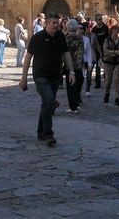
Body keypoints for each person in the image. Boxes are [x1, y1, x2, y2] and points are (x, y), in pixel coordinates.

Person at [19, 12, 75, 147]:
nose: (57, 25)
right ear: (46, 23)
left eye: (58, 22)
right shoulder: (37, 38)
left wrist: (71, 71)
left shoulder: (60, 36)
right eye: (54, 23)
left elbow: (66, 54)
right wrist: (24, 78)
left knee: (46, 104)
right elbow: (28, 57)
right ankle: (49, 134)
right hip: (40, 75)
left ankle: (40, 132)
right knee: (49, 101)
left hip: (55, 75)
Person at [64, 20, 86, 113]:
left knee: (71, 86)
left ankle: (73, 107)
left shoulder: (67, 38)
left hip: (70, 65)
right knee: (77, 84)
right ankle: (76, 103)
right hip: (79, 64)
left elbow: (66, 52)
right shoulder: (80, 37)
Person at [102, 24, 119, 106]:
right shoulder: (107, 40)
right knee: (108, 80)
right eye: (114, 31)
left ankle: (117, 98)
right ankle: (107, 93)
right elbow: (105, 50)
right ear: (111, 32)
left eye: (117, 31)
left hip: (118, 62)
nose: (115, 33)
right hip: (108, 62)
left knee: (117, 80)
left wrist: (112, 52)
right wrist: (116, 52)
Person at [83, 25, 100, 97]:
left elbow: (97, 45)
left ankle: (87, 90)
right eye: (87, 28)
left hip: (92, 56)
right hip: (83, 57)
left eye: (90, 28)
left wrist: (100, 53)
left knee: (89, 74)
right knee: (81, 75)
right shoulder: (82, 36)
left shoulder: (93, 35)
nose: (89, 29)